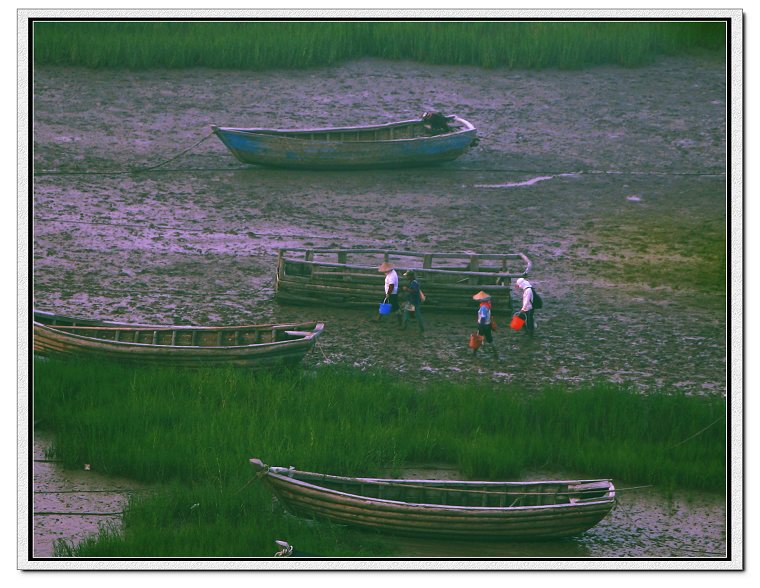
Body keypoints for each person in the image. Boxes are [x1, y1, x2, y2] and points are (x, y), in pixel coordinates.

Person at [472, 291, 498, 356]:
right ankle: (495, 353)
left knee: (478, 338)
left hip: (483, 325)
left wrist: (481, 326)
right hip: (488, 325)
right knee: (489, 339)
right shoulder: (488, 305)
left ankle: (474, 352)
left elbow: (483, 317)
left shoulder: (483, 307)